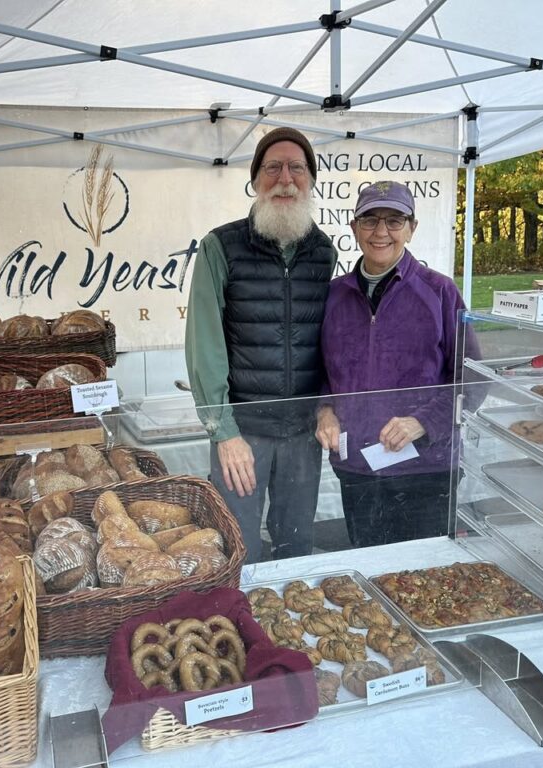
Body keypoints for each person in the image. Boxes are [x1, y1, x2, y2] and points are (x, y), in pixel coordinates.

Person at [185, 127, 337, 562]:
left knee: (296, 547)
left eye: (297, 168)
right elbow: (204, 343)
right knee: (238, 549)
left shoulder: (323, 253)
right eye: (272, 167)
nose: (285, 178)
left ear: (310, 180)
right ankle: (240, 628)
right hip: (242, 433)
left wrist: (327, 407)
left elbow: (331, 342)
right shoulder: (221, 246)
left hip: (302, 434)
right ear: (255, 180)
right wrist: (223, 432)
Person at [315, 180, 473, 548]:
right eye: (370, 220)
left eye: (394, 220)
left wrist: (423, 421)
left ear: (412, 228)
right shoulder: (334, 296)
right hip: (357, 467)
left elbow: (471, 378)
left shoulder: (439, 292)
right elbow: (322, 370)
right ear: (354, 227)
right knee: (367, 577)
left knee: (426, 583)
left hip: (428, 469)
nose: (381, 232)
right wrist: (324, 410)